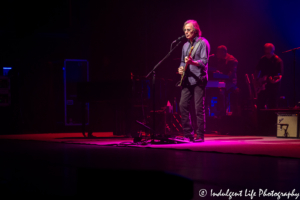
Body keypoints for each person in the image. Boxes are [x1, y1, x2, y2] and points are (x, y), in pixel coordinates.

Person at [177, 20, 210, 142]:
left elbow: (204, 61)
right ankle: (188, 133)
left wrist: (193, 62)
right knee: (182, 105)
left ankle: (200, 134)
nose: (186, 32)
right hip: (187, 79)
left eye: (189, 30)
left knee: (198, 108)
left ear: (195, 30)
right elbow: (182, 61)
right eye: (185, 30)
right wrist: (181, 68)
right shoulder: (185, 45)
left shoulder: (202, 42)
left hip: (198, 79)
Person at [208, 45, 239, 116]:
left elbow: (230, 75)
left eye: (218, 52)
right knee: (211, 90)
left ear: (223, 52)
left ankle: (223, 112)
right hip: (222, 80)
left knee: (221, 91)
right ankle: (214, 111)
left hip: (231, 82)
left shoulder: (232, 60)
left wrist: (221, 75)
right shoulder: (221, 59)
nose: (216, 53)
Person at [255, 43, 283, 110]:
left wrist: (275, 80)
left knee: (272, 104)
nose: (267, 55)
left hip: (273, 86)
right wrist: (257, 80)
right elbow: (257, 70)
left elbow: (280, 75)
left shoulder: (278, 61)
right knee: (260, 104)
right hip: (263, 86)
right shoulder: (262, 59)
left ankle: (272, 119)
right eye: (266, 53)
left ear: (273, 50)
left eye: (269, 53)